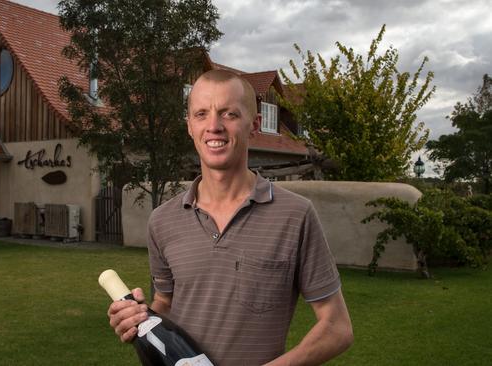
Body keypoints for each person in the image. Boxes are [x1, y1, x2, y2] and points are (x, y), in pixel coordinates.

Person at [107, 69, 353, 365]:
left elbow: (337, 328)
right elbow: (166, 306)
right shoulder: (162, 221)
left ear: (254, 125)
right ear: (189, 126)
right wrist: (138, 316)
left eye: (229, 114)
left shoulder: (295, 215)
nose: (214, 126)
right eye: (201, 114)